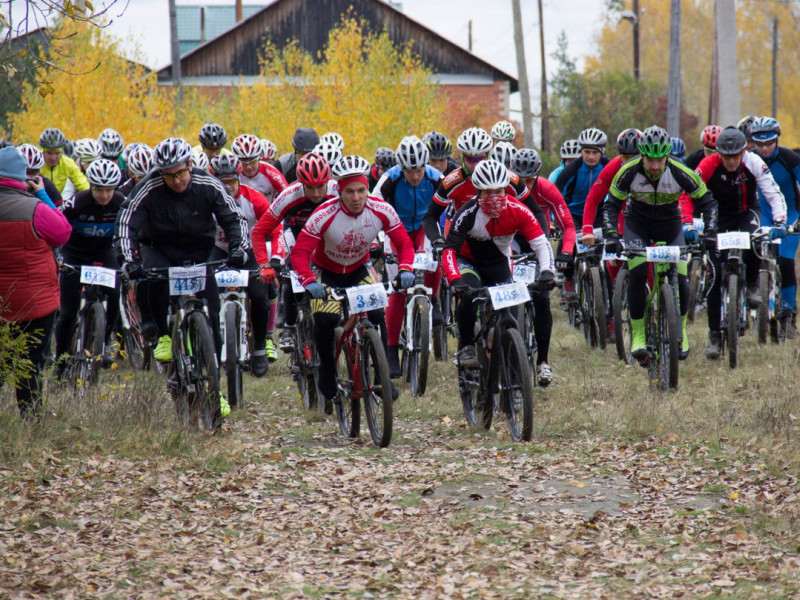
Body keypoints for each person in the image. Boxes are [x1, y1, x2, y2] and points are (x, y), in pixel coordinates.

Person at [117, 137, 249, 418]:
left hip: (199, 250)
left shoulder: (208, 185)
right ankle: (164, 336)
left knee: (212, 315)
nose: (176, 180)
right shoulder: (149, 188)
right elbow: (127, 220)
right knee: (154, 279)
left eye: (180, 173)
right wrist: (130, 261)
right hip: (158, 248)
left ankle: (216, 390)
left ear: (190, 165)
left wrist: (238, 248)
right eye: (168, 175)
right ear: (160, 173)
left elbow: (233, 217)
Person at [290, 155, 415, 405]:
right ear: (339, 191)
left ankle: (381, 377)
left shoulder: (381, 209)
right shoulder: (323, 214)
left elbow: (402, 242)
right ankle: (327, 368)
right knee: (325, 320)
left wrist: (405, 268)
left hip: (360, 269)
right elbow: (300, 252)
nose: (357, 198)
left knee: (377, 315)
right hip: (326, 272)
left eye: (361, 190)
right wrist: (308, 281)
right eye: (350, 192)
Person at [604, 125, 717, 362]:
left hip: (670, 223)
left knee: (682, 279)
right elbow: (611, 204)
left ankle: (681, 331)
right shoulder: (628, 171)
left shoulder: (679, 170)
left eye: (660, 160)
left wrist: (709, 231)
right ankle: (638, 336)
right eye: (649, 160)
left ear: (667, 156)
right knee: (638, 274)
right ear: (642, 155)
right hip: (638, 224)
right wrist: (612, 234)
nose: (655, 166)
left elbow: (707, 201)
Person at [679, 126, 787, 358]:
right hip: (717, 217)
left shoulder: (755, 162)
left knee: (755, 240)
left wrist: (779, 221)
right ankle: (715, 336)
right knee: (715, 275)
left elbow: (773, 192)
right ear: (718, 153)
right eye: (726, 156)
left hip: (747, 212)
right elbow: (687, 194)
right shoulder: (708, 165)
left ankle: (751, 285)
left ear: (742, 152)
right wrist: (687, 222)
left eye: (735, 156)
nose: (730, 161)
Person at [441, 159, 555, 368]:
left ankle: (512, 365)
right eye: (487, 192)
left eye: (499, 191)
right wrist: (455, 280)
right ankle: (466, 345)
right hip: (469, 262)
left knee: (510, 315)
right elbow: (449, 251)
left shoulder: (518, 210)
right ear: (477, 192)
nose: (494, 198)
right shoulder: (467, 213)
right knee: (468, 294)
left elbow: (541, 243)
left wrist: (547, 271)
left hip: (498, 263)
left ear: (506, 190)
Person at [0, 146, 71, 418]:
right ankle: (32, 421)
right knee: (31, 363)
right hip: (35, 303)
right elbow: (63, 233)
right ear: (22, 178)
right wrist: (41, 194)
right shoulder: (36, 209)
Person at [251, 152, 339, 350]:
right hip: (296, 234)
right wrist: (265, 264)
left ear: (329, 181)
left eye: (320, 186)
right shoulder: (289, 195)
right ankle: (290, 328)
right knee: (292, 276)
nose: (316, 194)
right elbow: (259, 231)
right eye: (310, 188)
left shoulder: (338, 190)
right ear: (301, 184)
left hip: (326, 236)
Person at [372, 135, 444, 377]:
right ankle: (391, 349)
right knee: (399, 291)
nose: (415, 176)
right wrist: (375, 240)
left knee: (435, 257)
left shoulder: (436, 178)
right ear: (401, 168)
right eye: (409, 172)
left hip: (425, 225)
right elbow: (372, 209)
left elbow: (452, 209)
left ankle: (432, 300)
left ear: (426, 165)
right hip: (396, 229)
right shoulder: (388, 180)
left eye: (419, 170)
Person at [210, 153, 282, 374]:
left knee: (260, 295)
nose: (228, 187)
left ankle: (260, 346)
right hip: (218, 250)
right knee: (207, 293)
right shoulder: (206, 198)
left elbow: (277, 228)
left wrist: (276, 258)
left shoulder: (254, 198)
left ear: (239, 179)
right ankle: (210, 343)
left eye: (231, 182)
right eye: (222, 183)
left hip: (249, 251)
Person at [422, 127, 545, 253]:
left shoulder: (507, 178)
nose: (476, 165)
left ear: (489, 155)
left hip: (496, 235)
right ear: (463, 157)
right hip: (461, 234)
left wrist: (542, 243)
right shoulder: (452, 181)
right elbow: (430, 216)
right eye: (471, 159)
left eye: (480, 159)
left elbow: (536, 211)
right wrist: (437, 240)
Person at [55, 159, 127, 372]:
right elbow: (56, 226)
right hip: (74, 254)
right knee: (68, 312)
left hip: (103, 253)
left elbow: (130, 230)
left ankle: (105, 342)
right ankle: (61, 361)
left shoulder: (122, 203)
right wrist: (58, 255)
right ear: (90, 186)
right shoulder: (77, 202)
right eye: (99, 190)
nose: (104, 196)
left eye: (109, 190)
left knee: (114, 292)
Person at [512, 148, 574, 385]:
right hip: (510, 242)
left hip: (538, 241)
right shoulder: (505, 186)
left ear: (537, 176)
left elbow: (567, 224)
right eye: (521, 180)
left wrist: (566, 252)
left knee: (542, 297)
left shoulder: (547, 189)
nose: (525, 186)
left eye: (530, 180)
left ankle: (543, 362)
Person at [750, 116, 800, 338]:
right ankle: (748, 310)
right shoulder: (749, 160)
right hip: (764, 215)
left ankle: (789, 316)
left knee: (786, 261)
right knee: (752, 257)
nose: (764, 148)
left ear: (777, 140)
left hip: (790, 215)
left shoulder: (789, 159)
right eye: (759, 144)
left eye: (769, 143)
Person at [555, 127, 610, 298]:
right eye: (586, 152)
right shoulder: (573, 168)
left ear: (601, 152)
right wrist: (556, 219)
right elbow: (555, 192)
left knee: (601, 250)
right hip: (573, 213)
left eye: (594, 152)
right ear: (581, 152)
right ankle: (568, 277)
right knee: (570, 240)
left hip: (598, 214)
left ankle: (602, 287)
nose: (591, 157)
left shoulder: (608, 166)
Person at [231, 133, 288, 202]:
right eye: (244, 163)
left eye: (253, 162)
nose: (249, 167)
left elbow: (287, 196)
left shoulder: (272, 173)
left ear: (258, 159)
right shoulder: (233, 172)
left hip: (267, 211)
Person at [38, 127, 89, 198]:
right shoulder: (37, 162)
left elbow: (83, 185)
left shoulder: (68, 163)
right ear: (43, 151)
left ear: (62, 152)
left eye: (57, 153)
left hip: (56, 200)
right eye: (49, 153)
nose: (53, 158)